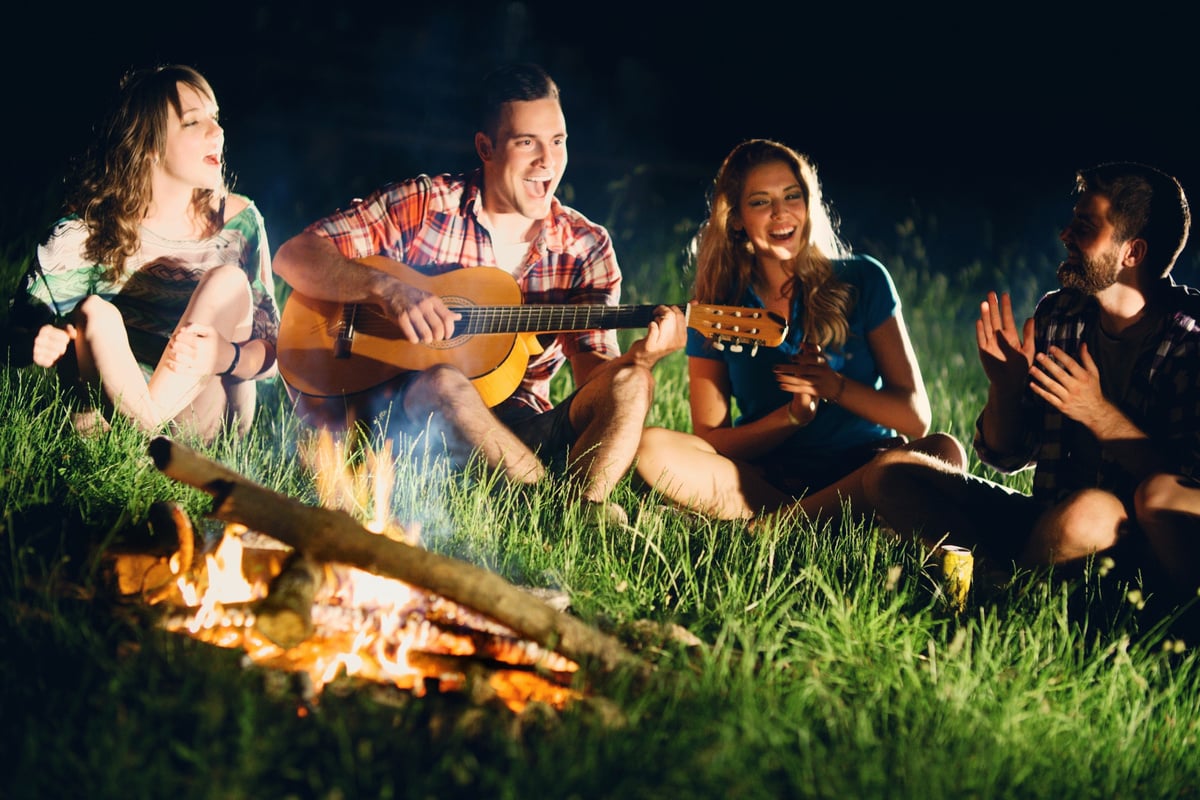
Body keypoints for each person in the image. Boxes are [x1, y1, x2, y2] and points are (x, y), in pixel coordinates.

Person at [271, 62, 686, 524]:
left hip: (517, 429)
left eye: (558, 141)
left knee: (633, 384)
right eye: (526, 142)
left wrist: (640, 360)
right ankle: (554, 508)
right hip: (411, 428)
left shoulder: (585, 246)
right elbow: (294, 255)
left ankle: (581, 508)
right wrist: (385, 287)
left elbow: (593, 374)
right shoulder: (426, 204)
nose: (547, 161)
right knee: (445, 382)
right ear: (486, 148)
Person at [862, 161, 1200, 599]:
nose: (1066, 236)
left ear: (1132, 252)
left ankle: (1000, 599)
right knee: (892, 473)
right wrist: (1006, 387)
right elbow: (1005, 455)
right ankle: (995, 578)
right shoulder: (1060, 315)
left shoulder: (1189, 341)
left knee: (1089, 513)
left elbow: (1182, 492)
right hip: (1046, 517)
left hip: (1129, 544)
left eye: (1084, 226)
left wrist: (1099, 415)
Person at [633, 139, 965, 525]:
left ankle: (778, 525)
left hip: (865, 470)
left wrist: (833, 386)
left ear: (808, 204)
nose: (780, 213)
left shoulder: (864, 278)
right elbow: (712, 438)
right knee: (651, 446)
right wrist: (790, 418)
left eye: (792, 196)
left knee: (945, 450)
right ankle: (815, 520)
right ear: (736, 217)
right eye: (760, 201)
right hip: (771, 478)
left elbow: (914, 419)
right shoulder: (717, 307)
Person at [9, 64, 279, 441]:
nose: (216, 133)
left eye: (215, 119)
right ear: (150, 145)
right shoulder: (86, 232)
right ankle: (146, 441)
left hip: (202, 414)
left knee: (228, 282)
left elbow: (274, 356)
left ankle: (139, 442)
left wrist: (226, 356)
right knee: (94, 314)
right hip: (113, 409)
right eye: (192, 122)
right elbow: (16, 333)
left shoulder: (238, 226)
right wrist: (35, 338)